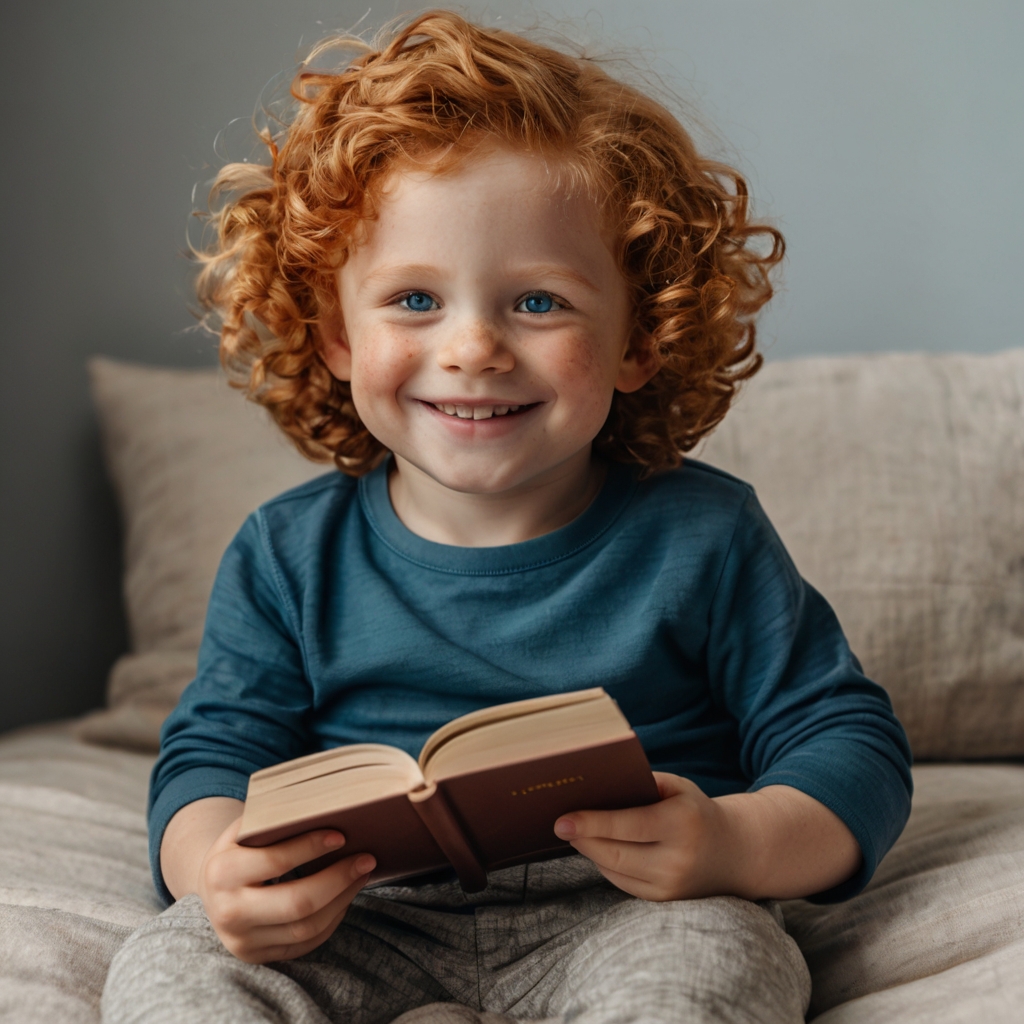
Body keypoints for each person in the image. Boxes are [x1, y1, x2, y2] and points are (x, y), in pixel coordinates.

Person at [101, 10, 912, 1024]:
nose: (473, 347)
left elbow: (847, 740)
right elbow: (210, 754)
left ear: (638, 340)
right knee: (167, 972)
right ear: (335, 335)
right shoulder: (286, 552)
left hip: (629, 912)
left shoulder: (705, 534)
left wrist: (735, 844)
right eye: (412, 300)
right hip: (359, 918)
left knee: (710, 973)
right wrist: (217, 866)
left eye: (536, 303)